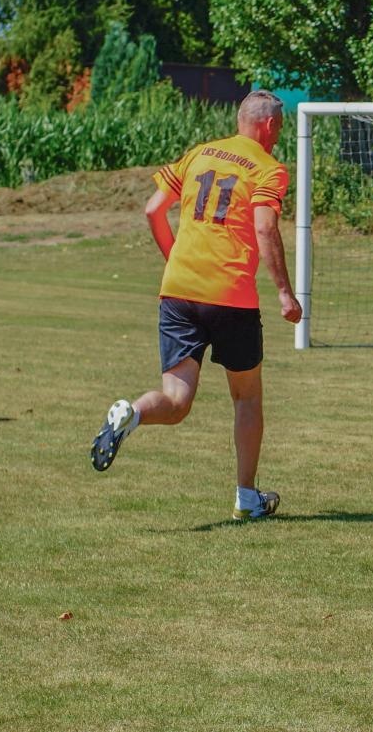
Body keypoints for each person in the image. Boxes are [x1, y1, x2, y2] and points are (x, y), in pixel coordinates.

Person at [90, 90, 302, 522]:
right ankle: (247, 497)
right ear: (268, 125)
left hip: (178, 291)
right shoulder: (268, 168)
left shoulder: (198, 154)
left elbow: (153, 210)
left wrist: (175, 260)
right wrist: (284, 291)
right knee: (246, 397)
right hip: (230, 296)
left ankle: (131, 414)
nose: (278, 136)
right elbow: (265, 228)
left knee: (176, 400)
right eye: (279, 128)